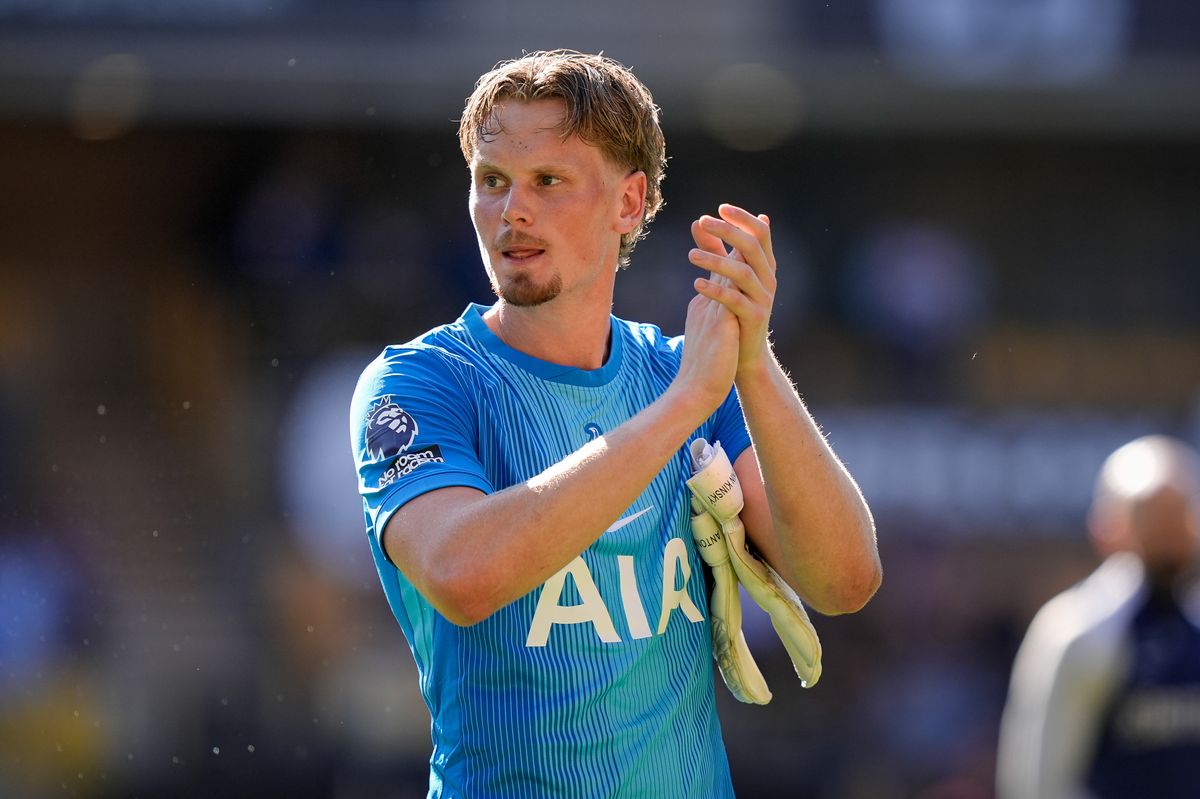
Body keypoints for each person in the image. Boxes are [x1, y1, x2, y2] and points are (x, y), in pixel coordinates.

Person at [349, 49, 881, 798]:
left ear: (628, 204)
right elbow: (462, 575)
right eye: (492, 181)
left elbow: (844, 580)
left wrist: (754, 363)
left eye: (549, 182)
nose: (513, 211)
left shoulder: (683, 375)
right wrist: (682, 408)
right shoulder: (417, 383)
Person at [996, 435, 1200, 799]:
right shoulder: (1079, 630)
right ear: (1109, 527)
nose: (1168, 531)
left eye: (1179, 511)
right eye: (1151, 514)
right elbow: (1040, 781)